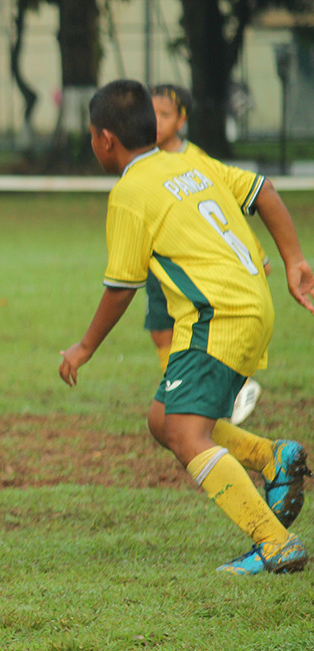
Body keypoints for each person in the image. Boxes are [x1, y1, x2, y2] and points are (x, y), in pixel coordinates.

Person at [59, 79, 313, 575]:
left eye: (91, 135)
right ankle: (272, 456)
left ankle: (275, 542)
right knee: (163, 419)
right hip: (250, 304)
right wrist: (295, 260)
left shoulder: (130, 192)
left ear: (105, 139)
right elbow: (264, 191)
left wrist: (85, 347)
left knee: (184, 432)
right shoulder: (190, 161)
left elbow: (120, 287)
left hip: (217, 316)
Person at [150, 83, 272, 426]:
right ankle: (178, 394)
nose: (156, 122)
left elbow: (226, 209)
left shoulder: (196, 160)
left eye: (165, 115)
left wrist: (257, 253)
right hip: (160, 256)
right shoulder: (146, 159)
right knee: (160, 329)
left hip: (194, 262)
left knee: (196, 333)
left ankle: (238, 387)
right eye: (151, 114)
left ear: (182, 119)